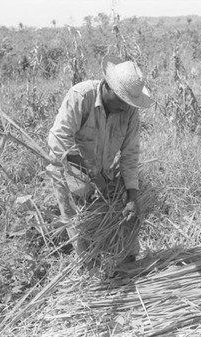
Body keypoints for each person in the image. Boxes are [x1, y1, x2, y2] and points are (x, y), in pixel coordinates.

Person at [46, 55, 153, 265]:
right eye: (122, 100)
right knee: (80, 226)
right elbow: (58, 140)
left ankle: (125, 264)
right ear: (107, 86)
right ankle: (91, 270)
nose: (125, 107)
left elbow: (130, 154)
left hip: (102, 173)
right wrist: (92, 174)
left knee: (121, 215)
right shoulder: (81, 96)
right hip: (68, 172)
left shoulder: (129, 111)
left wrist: (132, 198)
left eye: (129, 102)